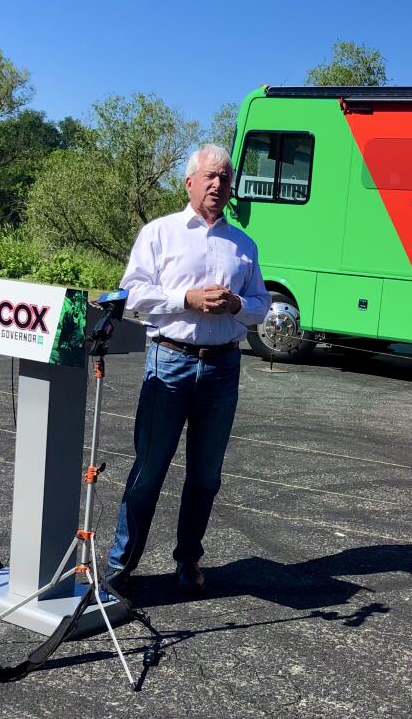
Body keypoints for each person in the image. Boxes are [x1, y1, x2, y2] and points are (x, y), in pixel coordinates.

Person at [106, 143, 271, 595]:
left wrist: (238, 303)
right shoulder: (160, 233)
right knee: (148, 471)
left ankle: (188, 560)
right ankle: (119, 568)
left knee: (205, 477)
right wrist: (187, 299)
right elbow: (131, 294)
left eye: (225, 177)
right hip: (170, 360)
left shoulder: (243, 245)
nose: (218, 184)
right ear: (190, 182)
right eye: (210, 176)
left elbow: (262, 305)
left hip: (222, 368)